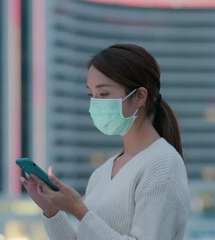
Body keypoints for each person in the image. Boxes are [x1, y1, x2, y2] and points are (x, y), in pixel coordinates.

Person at [21, 43, 190, 240]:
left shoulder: (163, 165)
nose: (95, 104)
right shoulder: (102, 173)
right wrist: (51, 211)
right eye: (91, 95)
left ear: (140, 96)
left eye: (103, 94)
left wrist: (79, 210)